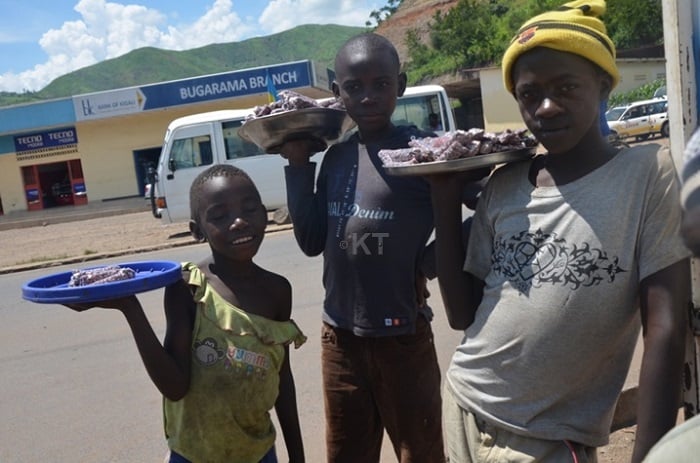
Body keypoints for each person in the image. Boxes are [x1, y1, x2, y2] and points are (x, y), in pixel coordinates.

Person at [428, 1, 691, 462]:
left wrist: (651, 455)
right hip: (464, 406)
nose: (546, 107)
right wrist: (443, 201)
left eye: (566, 87)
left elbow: (665, 328)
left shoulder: (647, 174)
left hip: (547, 439)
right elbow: (462, 315)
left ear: (603, 84)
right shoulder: (506, 184)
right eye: (529, 95)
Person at [277, 32, 446, 462]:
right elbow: (312, 241)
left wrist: (428, 261)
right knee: (347, 452)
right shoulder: (335, 160)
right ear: (337, 93)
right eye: (354, 87)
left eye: (380, 84)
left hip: (403, 338)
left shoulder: (422, 152)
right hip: (341, 340)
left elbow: (480, 207)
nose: (367, 97)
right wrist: (298, 166)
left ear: (401, 85)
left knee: (420, 451)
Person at [65, 164, 307, 463]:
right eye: (220, 216)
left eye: (250, 208)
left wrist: (298, 456)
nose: (240, 221)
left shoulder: (278, 291)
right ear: (197, 230)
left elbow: (282, 376)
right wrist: (131, 309)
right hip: (193, 453)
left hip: (257, 453)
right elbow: (175, 387)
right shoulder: (187, 288)